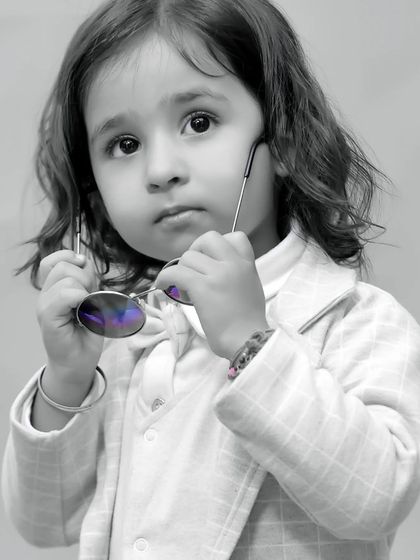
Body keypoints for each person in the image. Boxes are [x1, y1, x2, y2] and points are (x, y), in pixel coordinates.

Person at [2, 0, 420, 558]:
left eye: (199, 122)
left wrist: (254, 344)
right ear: (92, 190)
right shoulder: (124, 339)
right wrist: (68, 379)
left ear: (282, 141)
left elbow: (377, 497)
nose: (159, 170)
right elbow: (43, 523)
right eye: (123, 145)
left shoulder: (356, 320)